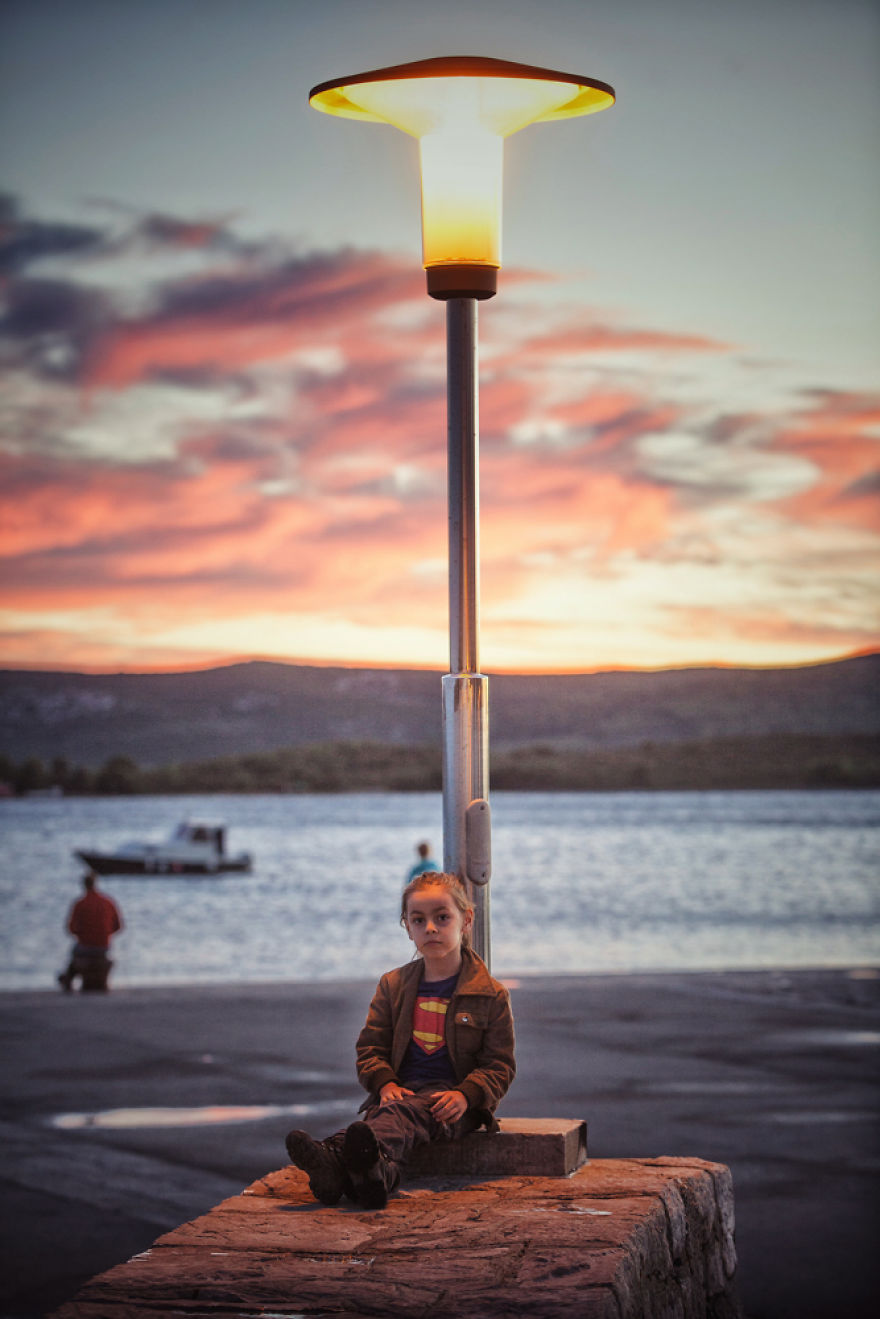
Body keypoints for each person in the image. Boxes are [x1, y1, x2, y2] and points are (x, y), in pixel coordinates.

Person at [285, 871, 515, 1210]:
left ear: (466, 920)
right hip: (403, 1092)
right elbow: (370, 1049)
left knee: (401, 1116)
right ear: (407, 926)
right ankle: (374, 1178)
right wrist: (385, 1083)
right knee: (393, 1115)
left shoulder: (490, 994)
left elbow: (499, 1065)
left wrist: (467, 1096)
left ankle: (334, 1154)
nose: (431, 928)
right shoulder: (393, 986)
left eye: (442, 917)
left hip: (452, 1103)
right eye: (418, 919)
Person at [58, 871, 123, 992]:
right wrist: (106, 934)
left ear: (84, 885)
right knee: (79, 950)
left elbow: (71, 929)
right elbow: (119, 926)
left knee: (74, 951)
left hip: (86, 945)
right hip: (104, 945)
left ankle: (68, 979)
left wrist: (83, 935)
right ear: (96, 884)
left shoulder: (80, 903)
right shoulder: (108, 902)